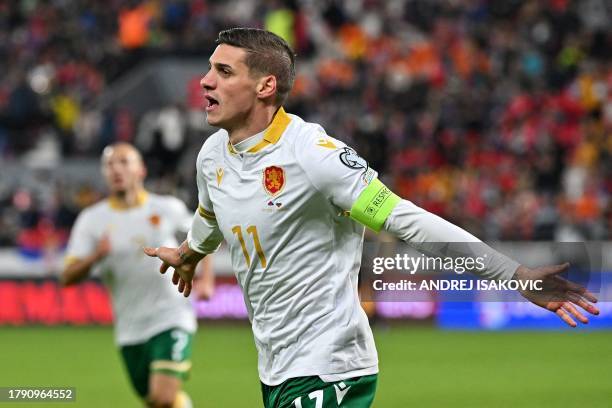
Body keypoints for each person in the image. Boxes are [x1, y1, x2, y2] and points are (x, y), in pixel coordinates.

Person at [144, 28, 599, 407]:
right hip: (277, 367)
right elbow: (209, 213)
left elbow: (407, 220)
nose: (204, 81)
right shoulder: (213, 156)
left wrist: (514, 274)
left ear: (265, 86)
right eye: (209, 69)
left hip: (331, 366)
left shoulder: (313, 155)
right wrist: (190, 252)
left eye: (223, 72)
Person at [63, 142, 213, 408]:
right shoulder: (92, 220)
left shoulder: (167, 207)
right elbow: (67, 276)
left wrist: (206, 279)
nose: (116, 169)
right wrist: (96, 256)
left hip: (171, 315)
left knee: (163, 396)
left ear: (141, 169)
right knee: (157, 402)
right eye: (109, 164)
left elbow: (204, 238)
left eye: (124, 162)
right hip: (129, 329)